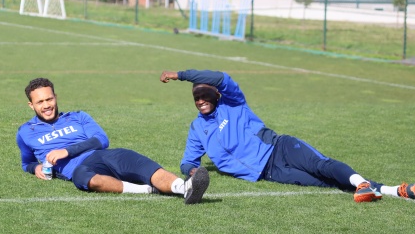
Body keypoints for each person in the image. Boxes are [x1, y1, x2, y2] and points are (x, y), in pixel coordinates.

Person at [159, 69, 415, 203]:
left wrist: (180, 75)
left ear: (217, 95)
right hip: (270, 173)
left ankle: (364, 184)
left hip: (279, 148)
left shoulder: (233, 103)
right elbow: (188, 161)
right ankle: (395, 191)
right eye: (196, 98)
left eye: (205, 95)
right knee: (325, 183)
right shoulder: (197, 128)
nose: (200, 100)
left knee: (322, 165)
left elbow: (221, 77)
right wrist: (194, 172)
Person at [16, 78, 208, 204]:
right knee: (83, 178)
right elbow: (27, 162)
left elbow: (101, 140)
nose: (47, 105)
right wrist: (35, 168)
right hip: (79, 169)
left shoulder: (78, 117)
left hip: (102, 155)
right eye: (40, 102)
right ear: (31, 105)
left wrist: (67, 151)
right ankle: (147, 190)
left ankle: (185, 187)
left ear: (56, 97)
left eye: (49, 99)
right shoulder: (25, 132)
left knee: (137, 163)